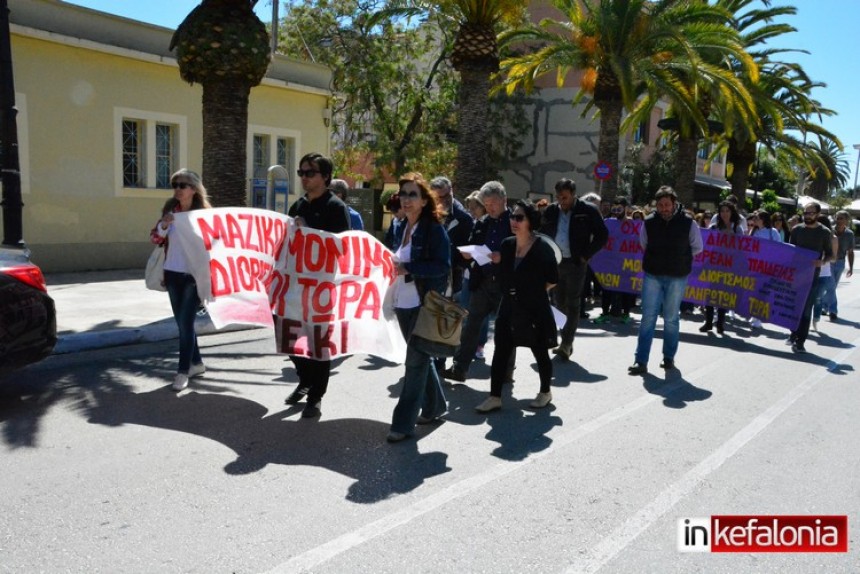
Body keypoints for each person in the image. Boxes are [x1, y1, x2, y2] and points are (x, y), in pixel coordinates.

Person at [284, 152, 351, 418]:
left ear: (325, 177)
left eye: (309, 172)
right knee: (290, 338)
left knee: (319, 343)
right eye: (301, 172)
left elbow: (341, 247)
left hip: (323, 286)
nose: (304, 177)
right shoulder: (297, 205)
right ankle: (305, 379)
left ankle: (315, 397)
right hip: (296, 284)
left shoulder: (336, 207)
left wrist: (309, 229)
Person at [475, 200, 558, 412]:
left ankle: (545, 392)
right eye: (513, 217)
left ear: (530, 221)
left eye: (519, 218)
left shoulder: (542, 248)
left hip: (534, 307)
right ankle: (494, 396)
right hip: (509, 304)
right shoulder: (507, 244)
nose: (514, 221)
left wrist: (534, 293)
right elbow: (504, 274)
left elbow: (553, 279)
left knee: (539, 350)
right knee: (501, 349)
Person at [387, 172, 451, 443]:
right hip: (402, 303)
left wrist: (408, 268)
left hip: (423, 304)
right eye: (403, 194)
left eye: (413, 194)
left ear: (425, 201)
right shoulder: (401, 227)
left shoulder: (433, 229)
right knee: (421, 359)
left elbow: (442, 265)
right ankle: (436, 406)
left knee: (413, 364)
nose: (406, 199)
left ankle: (402, 424)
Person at [628, 186, 703, 375]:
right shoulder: (649, 222)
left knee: (671, 318)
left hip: (677, 276)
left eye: (667, 204)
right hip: (653, 274)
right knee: (648, 318)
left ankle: (668, 357)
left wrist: (681, 258)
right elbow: (643, 243)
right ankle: (640, 361)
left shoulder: (688, 223)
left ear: (674, 203)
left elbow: (697, 247)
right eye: (660, 205)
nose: (664, 208)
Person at [443, 181, 513, 382]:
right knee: (471, 325)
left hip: (504, 283)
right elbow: (472, 243)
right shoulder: (483, 222)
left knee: (505, 329)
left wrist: (504, 256)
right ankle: (459, 368)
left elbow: (523, 250)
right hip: (481, 281)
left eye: (493, 203)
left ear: (504, 200)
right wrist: (468, 253)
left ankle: (506, 371)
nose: (490, 208)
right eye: (487, 203)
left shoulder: (515, 222)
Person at [150, 168, 212, 391]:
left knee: (185, 325)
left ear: (193, 189)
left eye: (182, 185)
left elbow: (215, 245)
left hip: (193, 276)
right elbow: (155, 237)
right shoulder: (170, 210)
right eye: (174, 185)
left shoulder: (204, 215)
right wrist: (164, 225)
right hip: (172, 273)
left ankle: (182, 371)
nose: (177, 189)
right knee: (182, 323)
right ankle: (196, 363)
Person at [538, 178, 608, 360]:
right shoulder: (552, 210)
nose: (562, 201)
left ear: (574, 195)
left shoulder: (588, 210)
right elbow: (541, 231)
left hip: (576, 263)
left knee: (573, 302)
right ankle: (564, 339)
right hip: (555, 263)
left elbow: (602, 235)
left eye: (566, 198)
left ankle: (567, 343)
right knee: (557, 302)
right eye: (559, 197)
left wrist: (587, 255)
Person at [787, 201, 834, 353]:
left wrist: (822, 261)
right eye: (805, 213)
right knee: (795, 306)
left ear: (818, 214)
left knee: (806, 309)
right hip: (796, 275)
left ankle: (801, 341)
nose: (807, 216)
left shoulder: (824, 232)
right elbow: (790, 250)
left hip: (813, 277)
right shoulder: (796, 230)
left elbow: (831, 255)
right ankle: (793, 333)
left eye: (810, 213)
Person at [700, 200, 743, 334]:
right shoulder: (713, 228)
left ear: (732, 213)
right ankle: (708, 322)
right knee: (710, 294)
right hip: (714, 266)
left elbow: (742, 248)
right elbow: (706, 244)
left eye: (727, 211)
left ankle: (720, 323)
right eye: (722, 211)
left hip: (729, 267)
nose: (724, 214)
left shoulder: (737, 229)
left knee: (723, 295)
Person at [593, 196, 635, 324]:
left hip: (626, 264)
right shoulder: (608, 222)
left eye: (619, 208)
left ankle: (626, 313)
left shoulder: (633, 225)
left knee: (625, 289)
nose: (616, 211)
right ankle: (605, 312)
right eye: (614, 208)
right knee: (607, 288)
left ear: (625, 209)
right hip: (610, 263)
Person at [461, 191, 490, 359]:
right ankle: (466, 343)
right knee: (465, 308)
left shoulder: (488, 224)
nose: (471, 211)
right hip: (468, 272)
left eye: (474, 208)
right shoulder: (470, 222)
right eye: (469, 208)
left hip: (483, 274)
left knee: (482, 313)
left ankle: (480, 344)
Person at [829, 210, 855, 321]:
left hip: (840, 262)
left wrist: (851, 267)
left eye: (841, 218)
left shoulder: (849, 234)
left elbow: (850, 251)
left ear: (846, 220)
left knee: (832, 286)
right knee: (830, 286)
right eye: (837, 218)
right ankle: (833, 310)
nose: (838, 220)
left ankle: (825, 306)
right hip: (829, 261)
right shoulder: (830, 231)